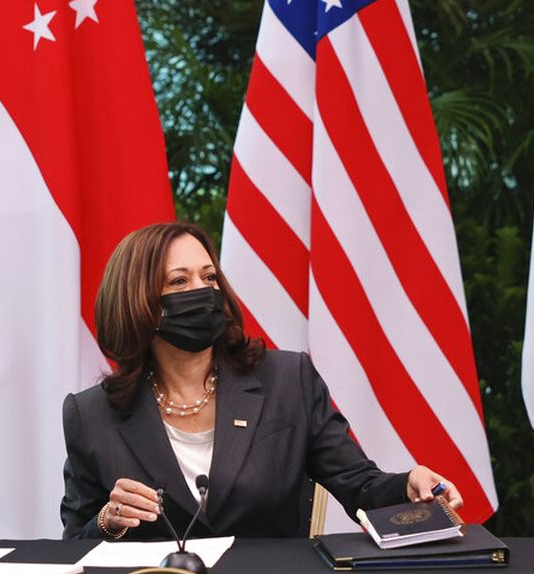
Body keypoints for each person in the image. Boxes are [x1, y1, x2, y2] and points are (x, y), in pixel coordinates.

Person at [60, 222, 463, 540]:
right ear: (136, 302)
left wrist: (408, 485)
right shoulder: (91, 414)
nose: (203, 291)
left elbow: (358, 484)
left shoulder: (288, 380)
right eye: (179, 282)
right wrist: (108, 522)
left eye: (210, 278)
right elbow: (75, 543)